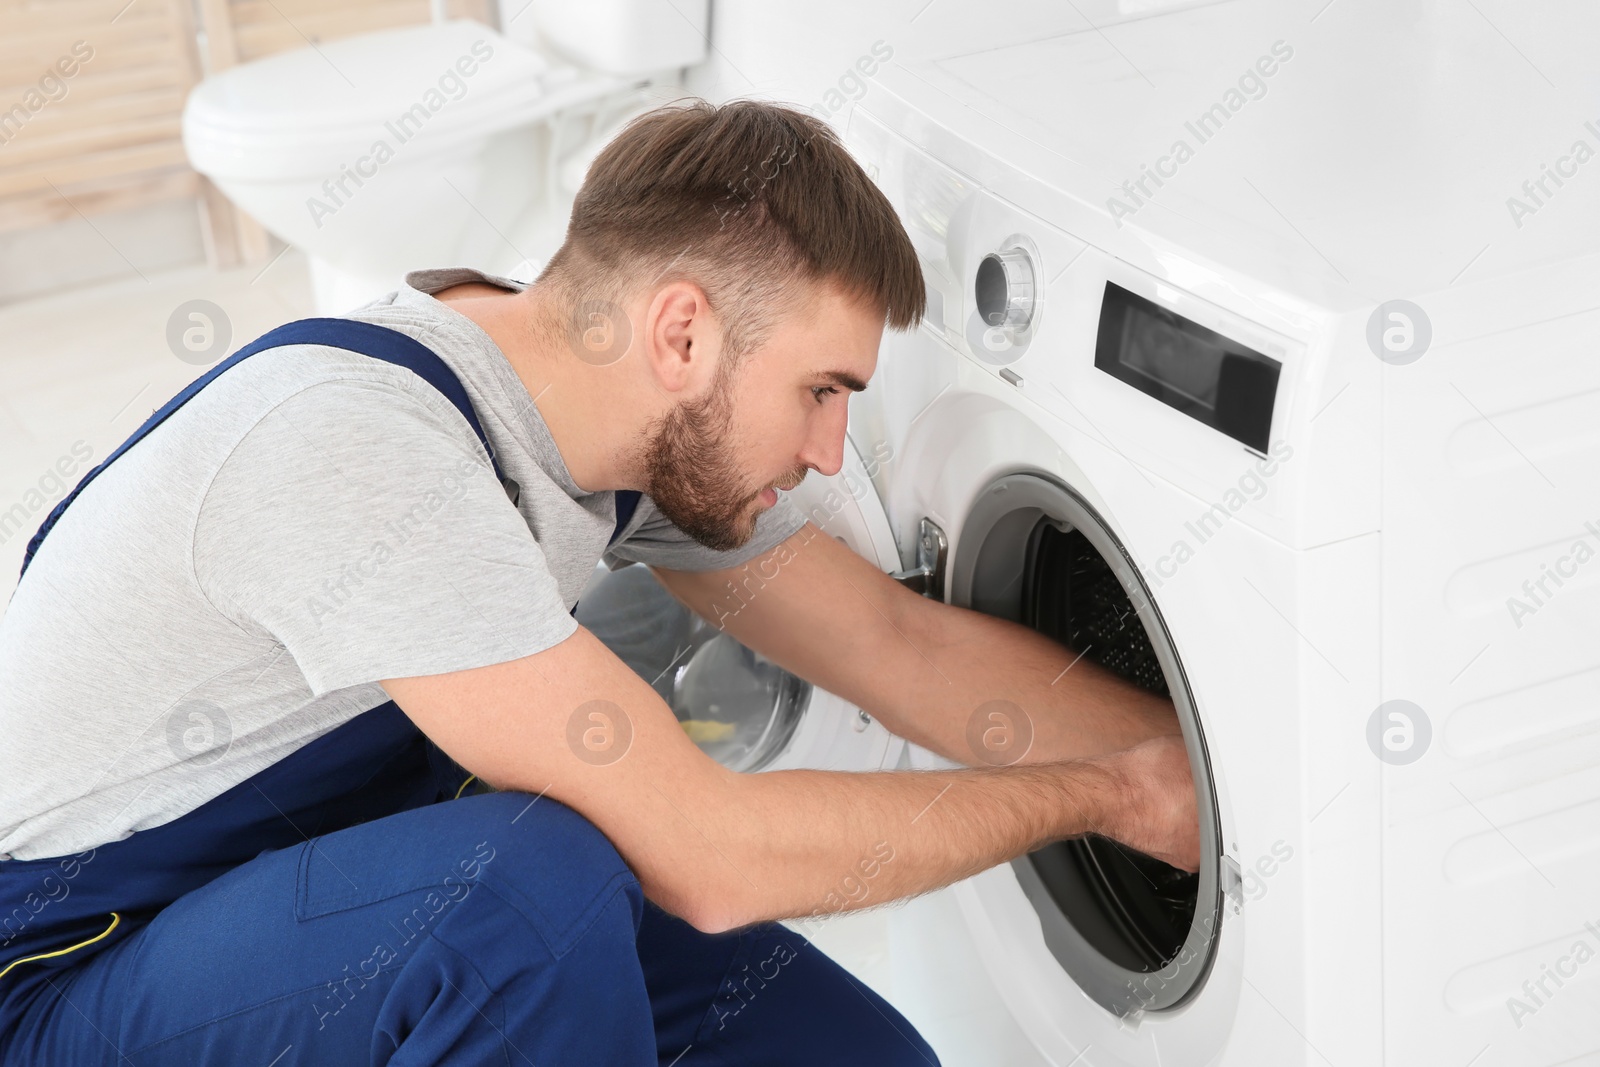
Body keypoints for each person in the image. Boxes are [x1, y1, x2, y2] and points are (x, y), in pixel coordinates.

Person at [0, 98, 1196, 1066]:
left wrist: (1197, 783)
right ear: (681, 334)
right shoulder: (356, 445)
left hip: (312, 891)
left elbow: (898, 644)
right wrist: (1096, 798)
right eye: (821, 389)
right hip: (70, 972)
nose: (830, 453)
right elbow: (711, 858)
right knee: (522, 894)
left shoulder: (620, 427)